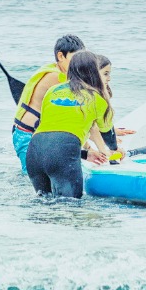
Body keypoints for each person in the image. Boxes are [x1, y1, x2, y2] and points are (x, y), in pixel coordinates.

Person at [24, 51, 111, 198]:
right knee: (71, 206)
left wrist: (84, 154)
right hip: (62, 152)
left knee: (43, 202)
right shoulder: (97, 98)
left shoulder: (52, 91)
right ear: (94, 72)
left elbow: (50, 135)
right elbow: (107, 133)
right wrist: (114, 150)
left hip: (34, 151)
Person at [10, 35, 85, 171]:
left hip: (32, 135)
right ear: (61, 56)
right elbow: (78, 113)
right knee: (35, 179)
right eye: (75, 58)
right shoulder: (56, 77)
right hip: (28, 136)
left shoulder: (53, 70)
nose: (79, 64)